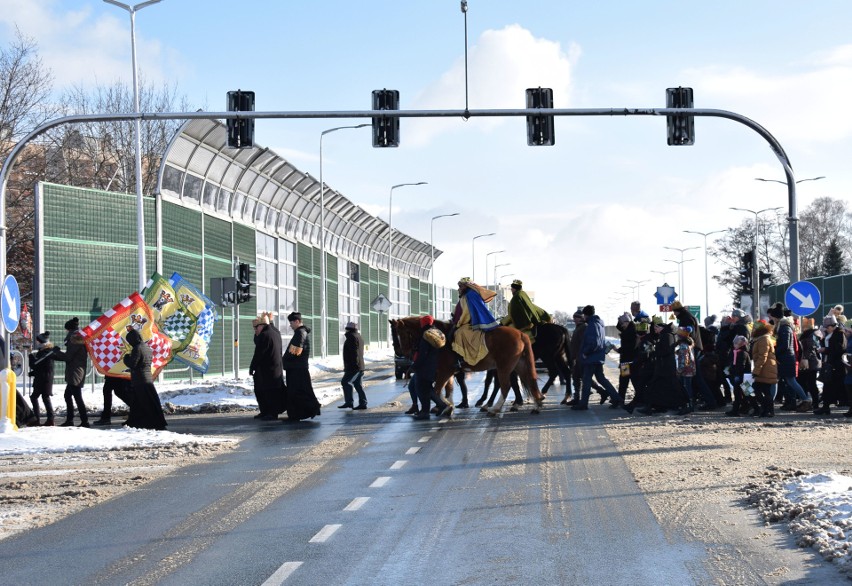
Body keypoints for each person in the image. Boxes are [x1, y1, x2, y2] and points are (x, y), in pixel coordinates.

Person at [572, 305, 622, 410]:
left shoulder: (591, 325)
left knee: (586, 381)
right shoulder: (599, 323)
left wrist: (585, 352)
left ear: (586, 315)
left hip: (591, 358)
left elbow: (593, 342)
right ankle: (616, 398)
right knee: (601, 379)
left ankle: (583, 404)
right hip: (598, 357)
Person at [767, 303, 810, 412]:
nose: (771, 320)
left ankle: (806, 399)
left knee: (790, 381)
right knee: (775, 380)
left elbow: (785, 345)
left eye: (772, 317)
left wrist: (774, 352)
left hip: (786, 359)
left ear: (776, 317)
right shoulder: (785, 326)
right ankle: (769, 402)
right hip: (785, 358)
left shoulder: (784, 328)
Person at [122, 328, 168, 430]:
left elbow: (133, 364)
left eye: (130, 341)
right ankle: (134, 422)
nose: (130, 343)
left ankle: (152, 423)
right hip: (146, 378)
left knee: (145, 403)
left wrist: (126, 358)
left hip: (140, 380)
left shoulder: (137, 348)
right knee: (141, 403)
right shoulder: (147, 347)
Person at [450, 277, 499, 368]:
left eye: (460, 286)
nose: (459, 289)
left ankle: (460, 360)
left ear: (466, 286)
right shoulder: (468, 294)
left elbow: (467, 314)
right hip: (467, 321)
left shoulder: (470, 295)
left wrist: (459, 323)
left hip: (469, 323)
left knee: (459, 333)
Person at [281, 312, 321, 422]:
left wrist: (285, 359)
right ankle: (297, 413)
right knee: (300, 391)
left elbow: (296, 351)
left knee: (297, 392)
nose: (290, 325)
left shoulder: (300, 333)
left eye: (291, 322)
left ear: (297, 321)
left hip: (297, 368)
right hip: (297, 367)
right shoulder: (300, 332)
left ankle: (300, 413)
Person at [52, 317, 90, 427]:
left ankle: (84, 421)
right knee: (68, 395)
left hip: (75, 372)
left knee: (77, 397)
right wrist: (55, 356)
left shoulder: (74, 339)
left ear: (69, 329)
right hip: (75, 371)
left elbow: (68, 357)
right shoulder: (76, 338)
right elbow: (70, 357)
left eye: (66, 330)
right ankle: (70, 420)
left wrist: (57, 352)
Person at [412, 315, 451, 420]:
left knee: (423, 389)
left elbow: (423, 353)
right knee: (427, 389)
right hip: (432, 366)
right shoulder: (436, 332)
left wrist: (415, 365)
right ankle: (434, 407)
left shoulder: (426, 335)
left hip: (424, 367)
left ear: (423, 323)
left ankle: (427, 411)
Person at [249, 312, 284, 421]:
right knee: (269, 391)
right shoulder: (275, 332)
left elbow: (259, 353)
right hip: (275, 368)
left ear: (262, 326)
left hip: (266, 369)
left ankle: (270, 413)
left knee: (266, 392)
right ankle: (266, 412)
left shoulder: (264, 335)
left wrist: (252, 367)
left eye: (256, 328)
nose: (256, 330)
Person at [816, 314, 845, 415]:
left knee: (831, 386)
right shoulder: (829, 335)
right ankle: (825, 406)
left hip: (836, 365)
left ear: (832, 326)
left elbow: (839, 349)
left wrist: (825, 350)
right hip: (828, 363)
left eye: (827, 327)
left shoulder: (839, 334)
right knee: (827, 385)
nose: (826, 329)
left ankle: (827, 406)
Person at [750, 320, 778, 418]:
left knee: (760, 390)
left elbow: (763, 356)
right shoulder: (762, 338)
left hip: (765, 369)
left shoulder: (764, 339)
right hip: (765, 368)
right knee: (760, 390)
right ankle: (767, 410)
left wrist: (756, 370)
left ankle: (768, 410)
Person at [29, 331, 57, 426]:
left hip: (43, 379)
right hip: (44, 377)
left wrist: (31, 358)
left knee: (37, 397)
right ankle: (49, 419)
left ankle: (39, 419)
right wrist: (33, 373)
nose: (36, 342)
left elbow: (35, 365)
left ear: (40, 341)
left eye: (37, 341)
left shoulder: (45, 352)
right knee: (43, 397)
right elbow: (42, 366)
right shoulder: (45, 351)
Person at [339, 321, 367, 410]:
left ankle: (349, 402)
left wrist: (354, 365)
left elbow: (354, 353)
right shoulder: (359, 337)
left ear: (348, 329)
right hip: (359, 365)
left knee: (345, 382)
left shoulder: (351, 337)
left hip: (354, 366)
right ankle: (363, 403)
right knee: (357, 384)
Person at [797, 317, 822, 408]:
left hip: (811, 362)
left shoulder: (812, 334)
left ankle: (815, 402)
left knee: (811, 383)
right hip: (809, 361)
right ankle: (810, 401)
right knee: (804, 382)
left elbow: (810, 348)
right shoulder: (808, 334)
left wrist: (805, 358)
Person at [725, 335, 753, 417]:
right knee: (745, 393)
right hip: (740, 376)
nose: (734, 344)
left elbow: (741, 366)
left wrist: (735, 374)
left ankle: (737, 410)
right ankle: (744, 408)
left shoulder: (742, 354)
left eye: (736, 343)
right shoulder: (735, 352)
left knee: (745, 394)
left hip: (743, 377)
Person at [674, 326, 697, 415]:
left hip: (685, 370)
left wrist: (679, 370)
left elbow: (684, 360)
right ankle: (690, 406)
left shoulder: (683, 346)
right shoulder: (690, 342)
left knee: (686, 389)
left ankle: (687, 406)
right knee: (688, 387)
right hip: (690, 369)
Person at [615, 312, 637, 402]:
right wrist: (619, 318)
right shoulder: (628, 329)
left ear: (627, 322)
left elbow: (628, 348)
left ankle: (620, 399)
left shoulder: (630, 332)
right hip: (627, 360)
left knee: (625, 381)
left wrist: (619, 350)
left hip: (628, 361)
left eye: (622, 323)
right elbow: (618, 327)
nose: (621, 325)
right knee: (625, 381)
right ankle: (620, 399)